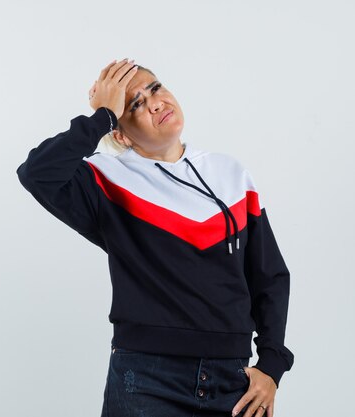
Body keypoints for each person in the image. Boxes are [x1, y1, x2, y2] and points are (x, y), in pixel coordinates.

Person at [16, 58, 294, 417]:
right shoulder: (104, 180)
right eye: (134, 104)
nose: (155, 103)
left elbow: (268, 275)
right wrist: (102, 114)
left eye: (155, 88)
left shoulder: (230, 173)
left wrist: (271, 365)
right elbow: (37, 173)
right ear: (120, 132)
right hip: (145, 381)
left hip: (234, 382)